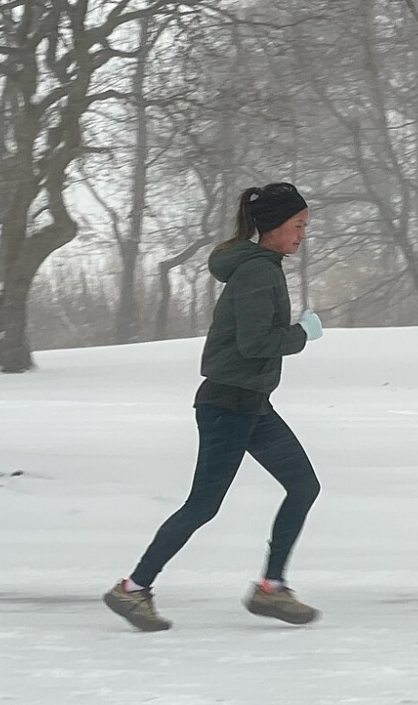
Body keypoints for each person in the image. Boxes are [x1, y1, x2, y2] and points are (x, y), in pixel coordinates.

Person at [104, 182, 325, 632]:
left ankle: (271, 588)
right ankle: (132, 589)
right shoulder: (258, 271)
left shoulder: (261, 267)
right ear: (275, 226)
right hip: (229, 404)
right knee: (203, 505)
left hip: (250, 403)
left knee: (303, 486)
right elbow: (255, 342)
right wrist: (302, 334)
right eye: (298, 226)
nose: (303, 235)